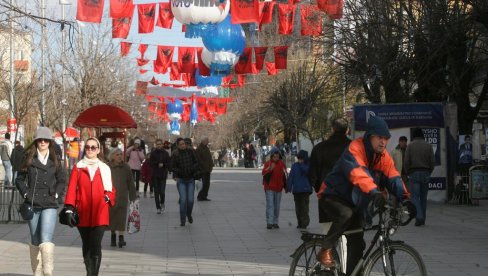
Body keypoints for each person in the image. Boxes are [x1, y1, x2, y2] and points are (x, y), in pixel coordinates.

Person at [316, 116, 412, 274]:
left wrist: (406, 199)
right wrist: (375, 192)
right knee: (345, 214)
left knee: (357, 244)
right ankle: (325, 248)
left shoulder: (382, 156)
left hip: (354, 201)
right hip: (332, 194)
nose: (383, 142)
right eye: (379, 137)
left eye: (386, 138)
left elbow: (393, 176)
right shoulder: (355, 148)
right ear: (370, 136)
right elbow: (358, 174)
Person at [15, 127, 66, 276]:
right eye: (40, 140)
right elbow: (19, 179)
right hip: (32, 203)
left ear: (50, 142)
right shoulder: (29, 158)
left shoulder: (55, 158)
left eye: (46, 140)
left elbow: (62, 179)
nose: (43, 142)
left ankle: (48, 270)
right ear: (36, 141)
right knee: (35, 239)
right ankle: (37, 272)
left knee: (46, 239)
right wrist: (26, 194)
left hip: (49, 203)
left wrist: (56, 194)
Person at [63, 137, 116, 276]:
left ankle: (94, 274)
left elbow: (111, 190)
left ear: (98, 150)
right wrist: (69, 207)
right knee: (86, 245)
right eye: (87, 147)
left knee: (96, 244)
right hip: (83, 212)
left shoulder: (105, 168)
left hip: (100, 212)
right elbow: (72, 188)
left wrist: (107, 198)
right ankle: (89, 271)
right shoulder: (78, 167)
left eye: (93, 147)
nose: (90, 150)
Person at [309, 118, 351, 229]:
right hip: (350, 197)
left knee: (328, 235)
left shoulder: (319, 148)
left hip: (326, 196)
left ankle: (329, 246)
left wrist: (319, 190)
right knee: (350, 235)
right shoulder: (354, 147)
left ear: (332, 129)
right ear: (347, 130)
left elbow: (312, 175)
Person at [404, 128, 435, 226]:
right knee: (423, 197)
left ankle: (419, 217)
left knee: (414, 197)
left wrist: (407, 171)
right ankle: (422, 219)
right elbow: (432, 161)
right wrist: (429, 171)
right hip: (425, 172)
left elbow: (406, 161)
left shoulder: (410, 146)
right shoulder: (429, 146)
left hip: (414, 172)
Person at [107, 148, 136, 248]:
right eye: (117, 155)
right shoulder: (107, 167)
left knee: (122, 217)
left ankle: (121, 238)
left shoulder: (126, 167)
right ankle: (113, 236)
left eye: (121, 154)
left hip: (123, 196)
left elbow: (131, 183)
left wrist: (133, 197)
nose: (120, 156)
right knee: (112, 216)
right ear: (112, 157)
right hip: (110, 197)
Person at [170, 137, 199, 226]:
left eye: (184, 144)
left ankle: (188, 214)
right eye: (181, 144)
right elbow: (172, 166)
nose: (183, 145)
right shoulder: (175, 154)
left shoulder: (191, 151)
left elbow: (196, 162)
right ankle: (182, 220)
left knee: (190, 200)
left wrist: (193, 169)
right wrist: (177, 173)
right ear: (178, 146)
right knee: (183, 200)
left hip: (190, 179)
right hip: (181, 180)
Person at [261, 147, 287, 229]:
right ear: (271, 156)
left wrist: (286, 185)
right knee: (270, 205)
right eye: (274, 156)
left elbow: (285, 175)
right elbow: (263, 173)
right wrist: (270, 169)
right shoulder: (268, 163)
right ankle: (269, 222)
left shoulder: (282, 164)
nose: (276, 158)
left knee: (277, 206)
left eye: (277, 156)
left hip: (278, 188)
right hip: (269, 187)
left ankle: (275, 222)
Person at [287, 150, 313, 229]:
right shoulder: (295, 165)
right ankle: (300, 222)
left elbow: (307, 172)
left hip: (305, 190)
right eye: (298, 158)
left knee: (304, 207)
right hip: (296, 190)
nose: (299, 159)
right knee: (298, 208)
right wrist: (288, 186)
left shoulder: (308, 165)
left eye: (301, 158)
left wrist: (302, 164)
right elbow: (291, 176)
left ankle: (305, 222)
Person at [150, 138, 171, 214]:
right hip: (155, 174)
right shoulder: (153, 153)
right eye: (157, 144)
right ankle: (158, 207)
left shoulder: (165, 153)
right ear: (156, 145)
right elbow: (150, 163)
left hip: (163, 175)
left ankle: (162, 202)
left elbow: (169, 163)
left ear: (162, 145)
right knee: (156, 192)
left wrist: (164, 164)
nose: (159, 146)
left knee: (162, 191)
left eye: (160, 144)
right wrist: (157, 164)